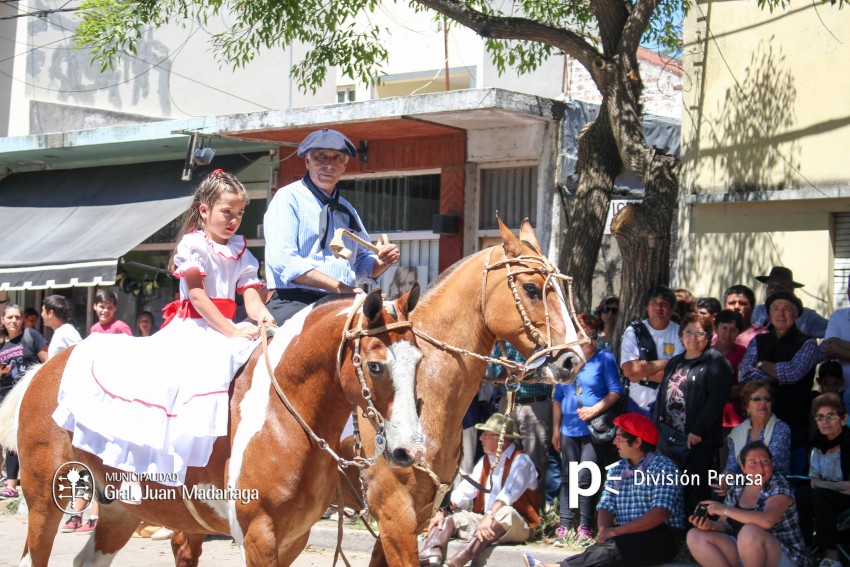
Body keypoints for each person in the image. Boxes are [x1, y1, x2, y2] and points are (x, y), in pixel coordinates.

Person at [52, 169, 275, 487]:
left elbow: (252, 298)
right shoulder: (193, 245)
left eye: (239, 213)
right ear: (204, 210)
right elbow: (197, 297)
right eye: (227, 212)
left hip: (225, 328)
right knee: (176, 387)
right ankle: (168, 468)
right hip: (194, 329)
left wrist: (263, 317)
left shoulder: (242, 251)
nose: (234, 220)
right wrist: (231, 330)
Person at [263, 128, 400, 324]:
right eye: (320, 157)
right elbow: (284, 261)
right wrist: (337, 286)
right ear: (307, 162)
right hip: (295, 301)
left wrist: (384, 261)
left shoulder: (347, 209)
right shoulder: (287, 198)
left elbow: (362, 264)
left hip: (342, 301)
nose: (328, 165)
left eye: (336, 158)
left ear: (345, 166)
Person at [522, 413, 685, 567]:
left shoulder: (663, 468)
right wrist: (604, 531)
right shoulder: (618, 469)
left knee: (614, 549)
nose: (614, 442)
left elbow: (659, 513)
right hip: (626, 533)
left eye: (620, 438)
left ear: (637, 442)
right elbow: (606, 506)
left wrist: (617, 531)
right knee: (603, 550)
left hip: (661, 537)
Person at [418, 413, 539, 567]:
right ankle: (431, 553)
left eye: (486, 435)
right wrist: (443, 509)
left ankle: (459, 559)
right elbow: (464, 491)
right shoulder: (485, 460)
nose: (481, 438)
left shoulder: (521, 461)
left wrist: (489, 515)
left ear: (501, 439)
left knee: (506, 513)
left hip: (517, 525)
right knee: (450, 516)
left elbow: (507, 495)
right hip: (487, 524)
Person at [552, 313, 621, 546]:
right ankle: (564, 525)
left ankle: (585, 526)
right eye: (582, 336)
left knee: (586, 477)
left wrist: (594, 410)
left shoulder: (605, 358)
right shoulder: (566, 360)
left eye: (591, 335)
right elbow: (558, 398)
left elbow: (615, 391)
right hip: (568, 429)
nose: (587, 341)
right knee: (568, 477)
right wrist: (555, 429)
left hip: (593, 428)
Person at [653, 312, 733, 512]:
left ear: (708, 337)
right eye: (688, 332)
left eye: (699, 333)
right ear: (681, 335)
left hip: (697, 439)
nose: (693, 337)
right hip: (668, 435)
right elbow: (664, 394)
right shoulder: (675, 361)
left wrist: (698, 430)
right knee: (670, 486)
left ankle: (696, 532)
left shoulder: (716, 362)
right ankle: (675, 532)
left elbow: (716, 401)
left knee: (696, 488)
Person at [687, 440, 809, 567]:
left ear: (772, 465)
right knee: (694, 535)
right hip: (745, 552)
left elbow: (768, 520)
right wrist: (710, 525)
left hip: (784, 556)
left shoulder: (779, 485)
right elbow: (725, 525)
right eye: (753, 463)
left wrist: (725, 510)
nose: (760, 468)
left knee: (749, 532)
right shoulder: (738, 485)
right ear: (743, 468)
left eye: (765, 461)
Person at [740, 292, 823, 475]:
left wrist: (761, 365)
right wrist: (776, 373)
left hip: (793, 418)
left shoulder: (807, 343)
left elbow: (793, 373)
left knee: (787, 475)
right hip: (758, 422)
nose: (780, 313)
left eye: (786, 309)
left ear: (796, 314)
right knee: (755, 472)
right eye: (776, 309)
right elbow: (745, 375)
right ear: (769, 314)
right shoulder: (758, 341)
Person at [489, 343, 552, 498]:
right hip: (508, 403)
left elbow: (545, 374)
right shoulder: (504, 345)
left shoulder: (540, 345)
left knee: (535, 457)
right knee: (506, 455)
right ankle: (509, 506)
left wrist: (518, 370)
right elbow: (498, 379)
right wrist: (517, 369)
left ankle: (535, 508)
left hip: (534, 405)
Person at [795, 394, 850, 567]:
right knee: (802, 493)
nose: (825, 421)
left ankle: (831, 556)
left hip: (845, 498)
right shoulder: (815, 443)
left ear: (843, 419)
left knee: (820, 495)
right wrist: (825, 486)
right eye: (820, 417)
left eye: (830, 416)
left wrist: (822, 485)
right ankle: (806, 549)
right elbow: (810, 480)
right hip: (828, 494)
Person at [0, 303, 48, 499]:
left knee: (31, 442)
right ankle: (10, 486)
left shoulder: (30, 336)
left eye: (17, 317)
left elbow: (48, 363)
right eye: (10, 317)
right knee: (10, 441)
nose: (14, 321)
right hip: (6, 399)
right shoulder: (1, 344)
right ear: (2, 320)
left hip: (30, 398)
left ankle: (37, 483)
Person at [620, 285, 684, 418]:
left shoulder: (680, 333)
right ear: (646, 307)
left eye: (664, 304)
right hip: (637, 404)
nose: (658, 308)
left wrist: (641, 374)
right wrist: (665, 363)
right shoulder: (633, 331)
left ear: (671, 309)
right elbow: (629, 371)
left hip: (669, 407)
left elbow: (677, 376)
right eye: (653, 303)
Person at [721, 381, 791, 481]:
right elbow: (732, 467)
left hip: (773, 484)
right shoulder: (737, 432)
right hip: (742, 483)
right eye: (757, 399)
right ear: (747, 406)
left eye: (767, 399)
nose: (763, 402)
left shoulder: (781, 429)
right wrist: (726, 479)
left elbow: (772, 465)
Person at [751, 266, 828, 339]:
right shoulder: (755, 312)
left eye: (781, 287)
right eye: (771, 286)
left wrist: (821, 351)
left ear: (791, 291)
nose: (774, 290)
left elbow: (834, 331)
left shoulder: (806, 316)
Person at [714, 309, 748, 465]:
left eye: (733, 330)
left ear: (739, 333)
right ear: (716, 328)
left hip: (733, 420)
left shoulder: (744, 354)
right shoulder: (706, 352)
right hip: (707, 420)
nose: (728, 334)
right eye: (724, 328)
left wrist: (714, 393)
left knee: (728, 464)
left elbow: (743, 388)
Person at [822, 275, 850, 410]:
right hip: (837, 393)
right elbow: (829, 348)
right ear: (848, 292)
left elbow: (836, 347)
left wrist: (841, 348)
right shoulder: (838, 316)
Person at [724, 284, 768, 348]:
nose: (736, 307)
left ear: (752, 308)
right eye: (732, 303)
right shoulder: (715, 335)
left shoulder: (763, 335)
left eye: (742, 303)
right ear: (725, 307)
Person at [40, 295, 81, 361]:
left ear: (50, 313)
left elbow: (81, 353)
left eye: (43, 310)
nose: (41, 314)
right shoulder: (61, 331)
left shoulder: (66, 331)